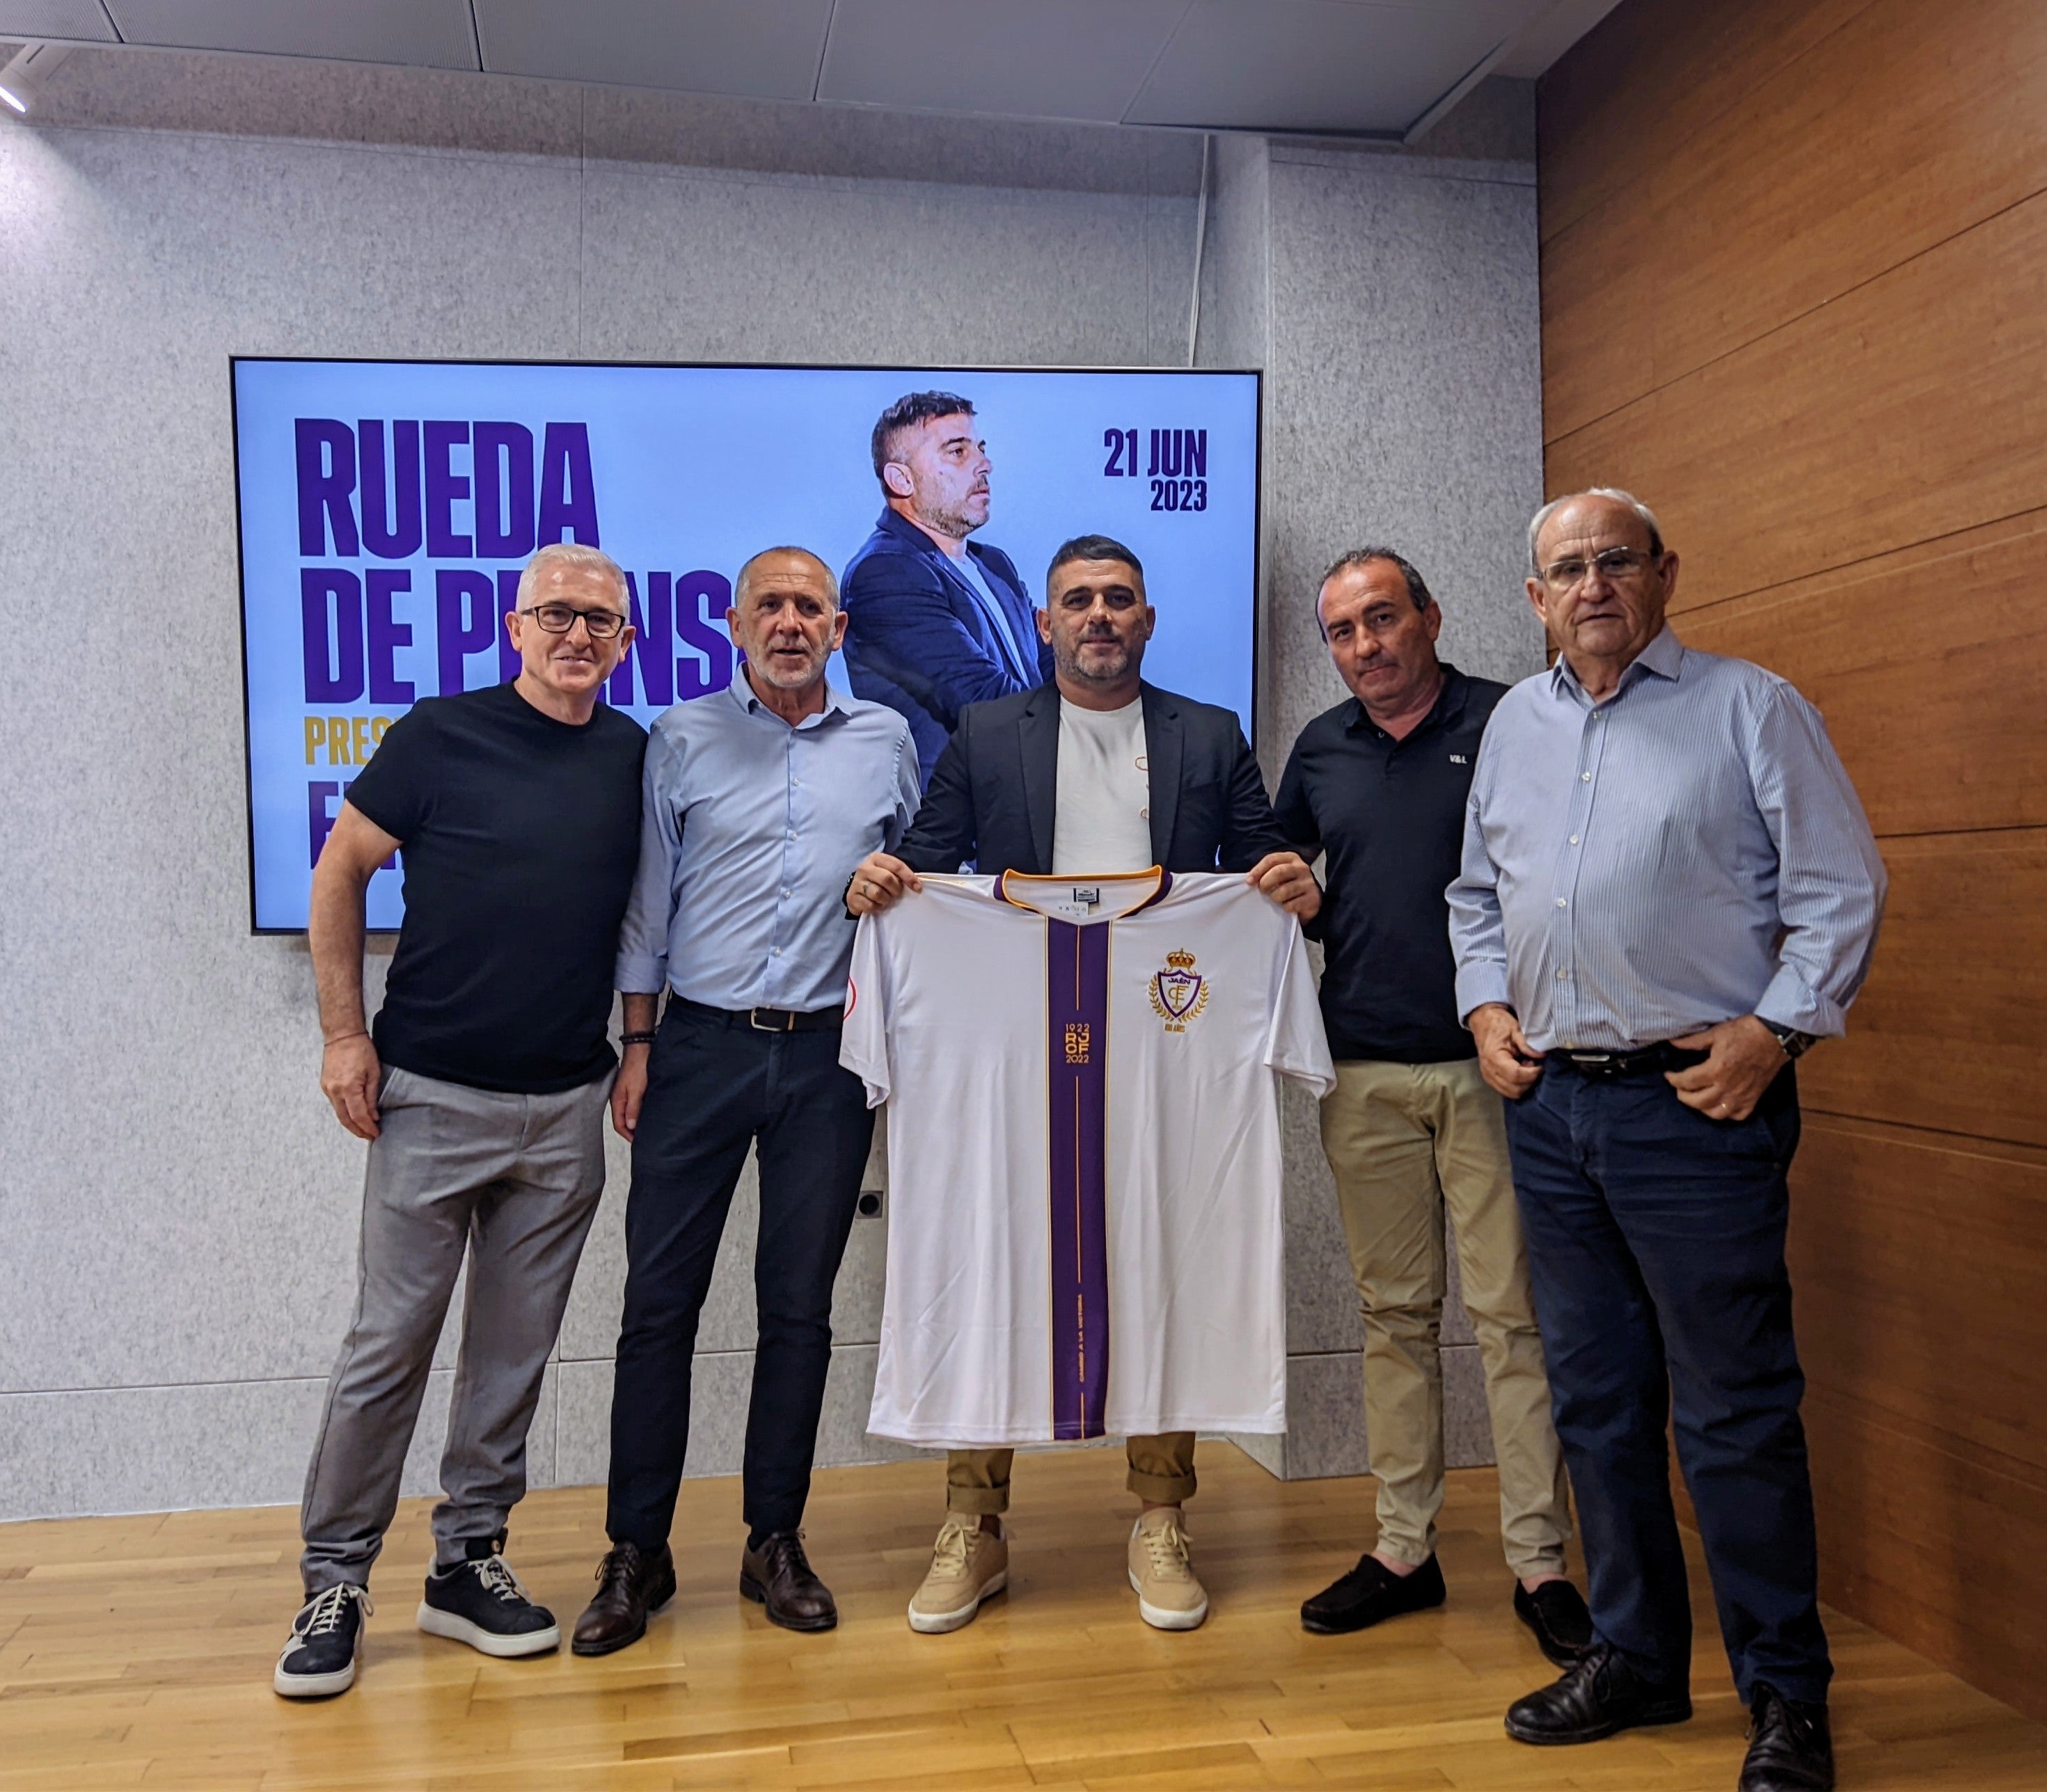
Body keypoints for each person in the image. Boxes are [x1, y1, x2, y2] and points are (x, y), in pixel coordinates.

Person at [1448, 489, 1885, 1792]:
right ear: (1534, 600)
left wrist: (1778, 1034)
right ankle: (1638, 1658)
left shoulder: (1752, 709)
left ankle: (1785, 1700)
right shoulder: (1515, 727)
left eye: (1614, 562)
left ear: (1663, 576)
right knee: (1596, 1404)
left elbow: (1840, 893)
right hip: (1551, 1110)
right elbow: (1477, 897)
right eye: (1565, 569)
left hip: (1697, 1108)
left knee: (1737, 1415)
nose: (1592, 585)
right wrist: (1483, 1008)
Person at [848, 532, 1320, 1635]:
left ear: (1146, 620)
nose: (1099, 615)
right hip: (1019, 1042)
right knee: (994, 1245)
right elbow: (928, 856)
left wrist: (1296, 883)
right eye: (1077, 601)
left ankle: (1161, 1516)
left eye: (1119, 598)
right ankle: (975, 1519)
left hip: (1163, 1049)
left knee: (1164, 1245)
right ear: (1047, 622)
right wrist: (883, 882)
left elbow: (1259, 859)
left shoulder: (1207, 734)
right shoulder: (984, 730)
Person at [274, 543, 646, 1699]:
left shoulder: (636, 754)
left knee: (509, 1360)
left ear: (626, 640)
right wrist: (345, 1035)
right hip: (429, 1100)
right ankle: (334, 1580)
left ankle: (465, 1563)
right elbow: (340, 872)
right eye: (558, 615)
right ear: (515, 625)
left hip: (565, 1111)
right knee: (389, 1348)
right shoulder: (439, 734)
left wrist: (635, 1050)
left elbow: (649, 913)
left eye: (603, 622)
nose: (579, 636)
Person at [571, 547, 919, 1656]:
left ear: (839, 624)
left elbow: (921, 885)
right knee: (657, 1309)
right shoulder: (679, 737)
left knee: (799, 1308)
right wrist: (637, 1044)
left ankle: (776, 1538)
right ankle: (637, 1549)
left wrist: (896, 886)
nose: (787, 621)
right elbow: (644, 907)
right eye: (768, 603)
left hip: (825, 1062)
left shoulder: (889, 744)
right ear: (732, 622)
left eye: (807, 606)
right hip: (698, 1050)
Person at [1274, 548, 1591, 1667]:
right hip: (1360, 1073)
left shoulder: (1516, 723)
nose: (1366, 645)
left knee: (1514, 1322)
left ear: (1430, 615)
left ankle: (1541, 1561)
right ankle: (1404, 1549)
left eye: (1382, 618)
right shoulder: (1318, 749)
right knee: (1395, 1320)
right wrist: (1292, 889)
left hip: (1497, 1071)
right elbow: (1288, 881)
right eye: (1344, 631)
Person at [840, 390, 1052, 784]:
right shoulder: (885, 572)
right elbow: (983, 697)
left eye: (980, 448)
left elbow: (1050, 667)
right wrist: (1096, 732)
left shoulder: (995, 564)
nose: (984, 464)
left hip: (1021, 816)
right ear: (901, 479)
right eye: (957, 452)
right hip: (950, 831)